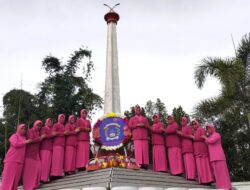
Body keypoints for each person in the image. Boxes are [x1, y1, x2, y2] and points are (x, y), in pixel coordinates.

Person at [0, 124, 31, 190]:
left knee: (16, 179)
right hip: (11, 160)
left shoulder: (24, 138)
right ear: (18, 129)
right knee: (8, 179)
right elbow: (15, 144)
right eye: (22, 128)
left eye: (25, 129)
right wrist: (25, 142)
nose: (24, 130)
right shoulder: (14, 136)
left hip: (20, 161)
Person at [202, 123, 231, 189]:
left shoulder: (216, 134)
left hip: (219, 157)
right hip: (213, 157)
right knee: (217, 174)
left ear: (212, 128)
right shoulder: (209, 137)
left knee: (222, 172)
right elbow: (208, 143)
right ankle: (220, 186)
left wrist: (205, 137)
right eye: (207, 129)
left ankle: (226, 187)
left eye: (208, 128)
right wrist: (206, 138)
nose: (207, 130)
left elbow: (212, 141)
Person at [23, 120, 45, 190]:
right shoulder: (30, 131)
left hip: (36, 153)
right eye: (37, 125)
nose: (38, 127)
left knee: (38, 168)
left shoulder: (38, 133)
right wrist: (40, 138)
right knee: (29, 171)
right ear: (34, 125)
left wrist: (40, 138)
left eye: (39, 126)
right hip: (29, 153)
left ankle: (35, 184)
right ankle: (28, 186)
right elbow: (31, 140)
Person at [192, 120, 214, 184]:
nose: (194, 125)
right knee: (200, 165)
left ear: (199, 124)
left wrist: (194, 137)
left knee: (204, 164)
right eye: (193, 124)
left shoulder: (201, 129)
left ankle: (207, 179)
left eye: (195, 123)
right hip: (197, 150)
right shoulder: (195, 131)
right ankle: (202, 180)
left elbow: (202, 138)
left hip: (202, 149)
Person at [128, 105, 149, 169]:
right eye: (137, 109)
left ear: (140, 110)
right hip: (137, 137)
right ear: (135, 111)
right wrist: (137, 125)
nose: (138, 110)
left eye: (139, 109)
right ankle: (139, 163)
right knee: (138, 151)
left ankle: (145, 164)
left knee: (145, 150)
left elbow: (148, 126)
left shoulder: (144, 118)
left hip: (144, 136)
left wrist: (144, 125)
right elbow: (129, 126)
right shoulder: (132, 118)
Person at [40, 118, 54, 183]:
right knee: (44, 163)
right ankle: (42, 178)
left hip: (50, 148)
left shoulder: (51, 129)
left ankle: (46, 177)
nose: (50, 122)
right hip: (44, 148)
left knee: (48, 164)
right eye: (49, 121)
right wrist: (51, 135)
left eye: (51, 121)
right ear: (46, 122)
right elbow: (43, 136)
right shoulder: (44, 128)